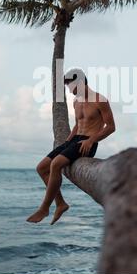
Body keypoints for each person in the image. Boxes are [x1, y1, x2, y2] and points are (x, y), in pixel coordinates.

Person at [27, 68, 116, 225]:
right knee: (41, 167)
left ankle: (44, 208)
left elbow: (110, 127)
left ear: (80, 82)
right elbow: (77, 125)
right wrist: (66, 143)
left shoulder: (100, 100)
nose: (69, 89)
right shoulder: (76, 102)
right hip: (73, 141)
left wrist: (91, 141)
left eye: (70, 85)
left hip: (87, 142)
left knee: (56, 164)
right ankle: (61, 204)